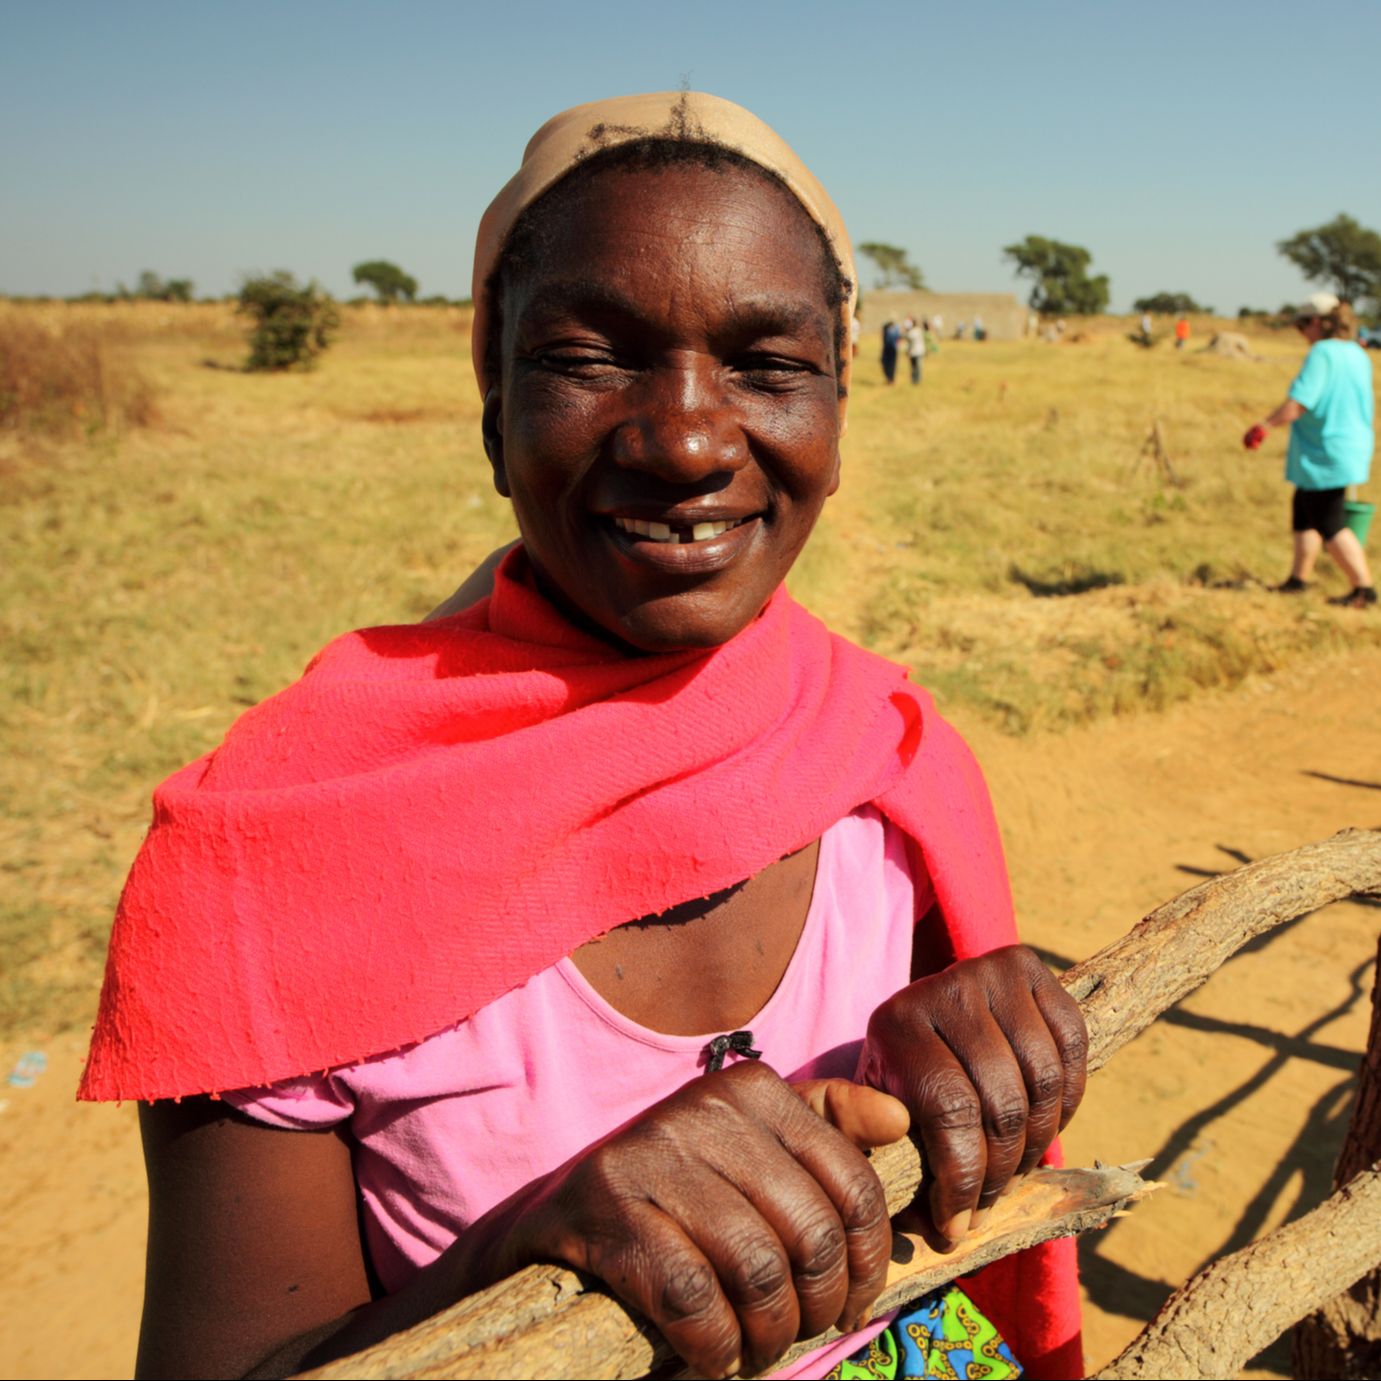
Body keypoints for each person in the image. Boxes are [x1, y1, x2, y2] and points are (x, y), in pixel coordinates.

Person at [82, 92, 1086, 1381]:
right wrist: (525, 1261)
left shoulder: (879, 753)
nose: (683, 439)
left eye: (767, 366)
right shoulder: (270, 858)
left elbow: (931, 1143)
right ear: (493, 405)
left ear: (839, 412)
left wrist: (975, 1040)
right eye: (589, 356)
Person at [1243, 291, 1375, 607]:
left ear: (1316, 322)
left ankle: (1364, 590)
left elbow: (1300, 402)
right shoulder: (1356, 352)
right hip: (1348, 445)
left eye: (1302, 326)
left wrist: (1264, 426)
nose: (1302, 334)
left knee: (1329, 522)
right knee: (1304, 511)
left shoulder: (1323, 353)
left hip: (1325, 451)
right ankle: (1298, 580)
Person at [904, 315, 925, 384]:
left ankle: (915, 379)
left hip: (914, 352)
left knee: (915, 366)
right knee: (916, 366)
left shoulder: (913, 332)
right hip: (918, 351)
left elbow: (907, 338)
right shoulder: (919, 331)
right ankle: (916, 379)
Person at [880, 315, 900, 383]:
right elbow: (883, 335)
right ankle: (888, 376)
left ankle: (891, 378)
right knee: (884, 362)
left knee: (892, 364)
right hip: (886, 347)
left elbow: (898, 337)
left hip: (893, 348)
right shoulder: (886, 327)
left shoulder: (897, 328)